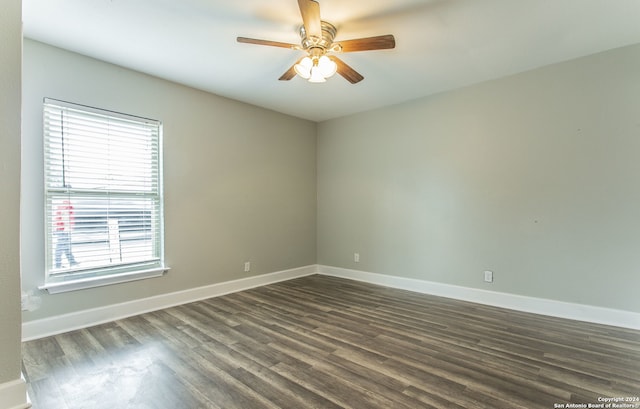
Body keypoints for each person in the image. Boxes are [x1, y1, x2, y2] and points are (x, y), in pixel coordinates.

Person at [54, 200, 78, 268]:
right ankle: (58, 265)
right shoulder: (67, 205)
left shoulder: (63, 204)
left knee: (66, 247)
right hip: (64, 229)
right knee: (60, 248)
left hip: (62, 229)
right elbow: (65, 216)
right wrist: (67, 228)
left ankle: (72, 262)